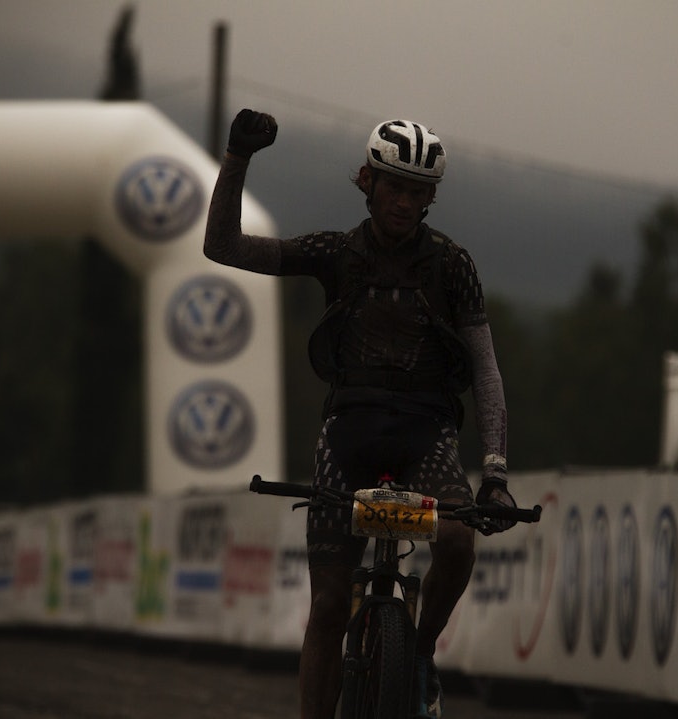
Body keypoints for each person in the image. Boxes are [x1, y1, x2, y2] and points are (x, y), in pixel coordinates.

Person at [204, 109, 518, 719]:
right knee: (327, 609)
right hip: (346, 438)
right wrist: (236, 159)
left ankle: (421, 656)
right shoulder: (336, 253)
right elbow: (223, 246)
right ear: (367, 182)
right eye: (394, 185)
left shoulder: (453, 266)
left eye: (418, 191)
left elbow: (485, 369)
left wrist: (497, 474)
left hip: (426, 436)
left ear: (431, 198)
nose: (404, 202)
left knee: (457, 540)